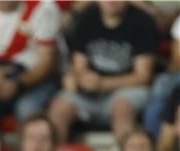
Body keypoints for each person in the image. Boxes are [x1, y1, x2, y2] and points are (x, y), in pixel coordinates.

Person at [48, 1, 158, 143]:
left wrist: (103, 83)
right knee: (60, 106)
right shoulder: (86, 18)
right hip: (91, 92)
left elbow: (143, 76)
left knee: (121, 107)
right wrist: (77, 78)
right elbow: (79, 66)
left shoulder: (142, 21)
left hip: (128, 90)